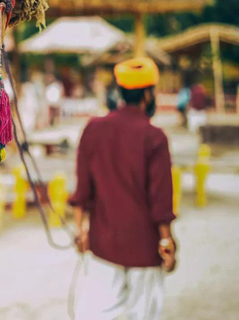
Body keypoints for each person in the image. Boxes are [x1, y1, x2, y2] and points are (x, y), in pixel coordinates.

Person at [69, 58, 177, 320]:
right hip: (145, 246)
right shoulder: (154, 137)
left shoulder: (93, 129)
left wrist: (81, 228)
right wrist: (167, 241)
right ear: (149, 95)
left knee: (97, 313)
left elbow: (83, 189)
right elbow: (160, 199)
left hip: (103, 243)